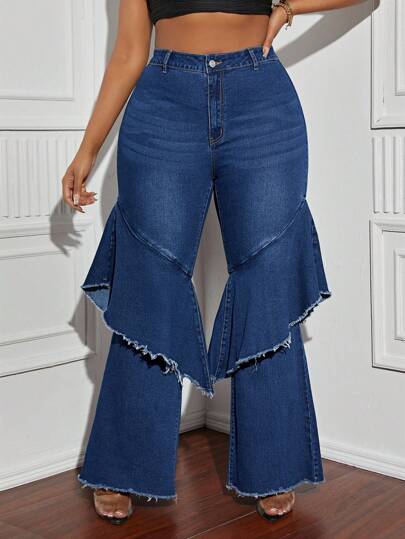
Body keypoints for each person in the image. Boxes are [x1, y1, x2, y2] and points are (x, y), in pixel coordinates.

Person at [62, 0, 362, 526]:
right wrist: (88, 149)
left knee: (266, 275)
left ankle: (273, 465)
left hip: (261, 101)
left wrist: (288, 7)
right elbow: (130, 51)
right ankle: (123, 466)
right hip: (163, 104)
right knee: (150, 278)